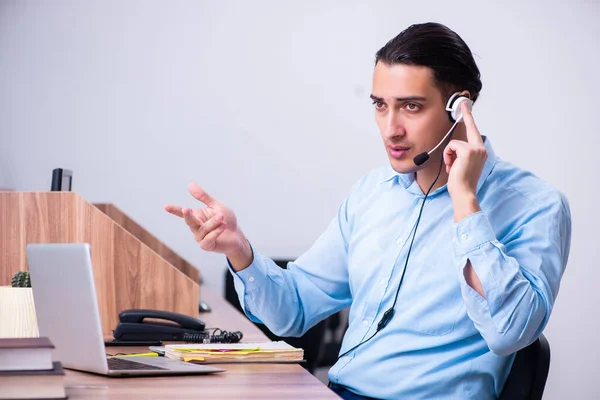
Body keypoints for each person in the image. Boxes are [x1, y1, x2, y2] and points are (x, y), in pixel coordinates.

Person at [165, 22, 571, 400]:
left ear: (460, 105)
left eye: (410, 107)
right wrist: (239, 251)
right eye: (380, 105)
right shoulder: (372, 193)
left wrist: (465, 199)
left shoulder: (535, 205)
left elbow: (511, 331)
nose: (390, 128)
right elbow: (295, 310)